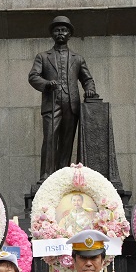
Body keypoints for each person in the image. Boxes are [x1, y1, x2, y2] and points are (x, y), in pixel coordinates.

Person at [28, 15, 99, 180]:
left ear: (69, 34)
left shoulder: (78, 58)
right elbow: (33, 76)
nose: (61, 32)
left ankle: (62, 175)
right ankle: (46, 175)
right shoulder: (43, 57)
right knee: (50, 139)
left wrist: (89, 90)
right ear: (52, 34)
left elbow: (87, 79)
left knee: (67, 142)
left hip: (72, 104)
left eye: (64, 30)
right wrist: (46, 84)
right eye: (57, 30)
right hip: (52, 102)